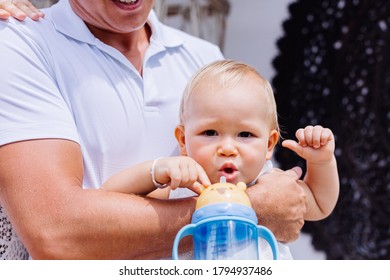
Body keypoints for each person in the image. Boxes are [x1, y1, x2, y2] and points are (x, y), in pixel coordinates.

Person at [0, 0, 306, 260]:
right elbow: (56, 235)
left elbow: (277, 200)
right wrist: (245, 210)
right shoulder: (19, 43)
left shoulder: (204, 57)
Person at [101, 60, 340, 259]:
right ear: (183, 140)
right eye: (210, 133)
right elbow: (110, 198)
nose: (227, 148)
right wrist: (155, 170)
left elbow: (320, 203)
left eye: (245, 135)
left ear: (269, 144)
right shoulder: (184, 188)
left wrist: (321, 162)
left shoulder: (270, 183)